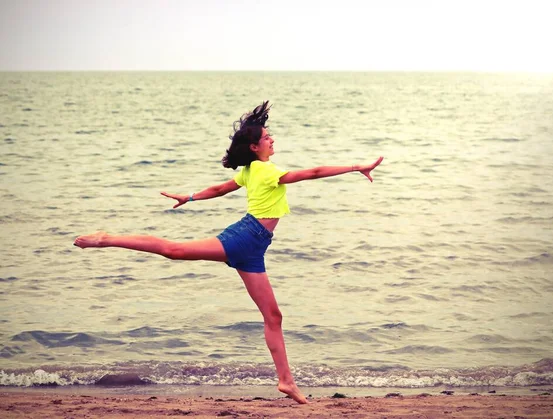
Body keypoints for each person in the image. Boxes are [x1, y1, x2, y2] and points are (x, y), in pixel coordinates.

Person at [74, 101, 383, 404]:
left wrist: (190, 197)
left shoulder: (249, 171)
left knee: (273, 316)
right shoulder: (264, 170)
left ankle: (286, 381)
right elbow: (313, 172)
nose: (271, 139)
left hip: (253, 249)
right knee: (174, 250)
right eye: (266, 138)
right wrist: (357, 167)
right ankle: (106, 239)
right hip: (243, 239)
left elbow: (220, 189)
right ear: (254, 148)